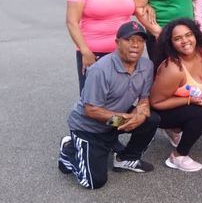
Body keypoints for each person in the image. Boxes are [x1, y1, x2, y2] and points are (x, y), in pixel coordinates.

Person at [57, 21, 159, 189]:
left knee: (152, 119)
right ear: (117, 43)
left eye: (140, 40)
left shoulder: (147, 66)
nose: (135, 45)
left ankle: (126, 159)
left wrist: (141, 114)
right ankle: (69, 151)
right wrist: (125, 118)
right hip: (89, 127)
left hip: (113, 121)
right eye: (129, 39)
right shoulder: (100, 70)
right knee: (93, 182)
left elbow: (144, 99)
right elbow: (91, 111)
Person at [149, 18, 202, 172]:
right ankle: (178, 155)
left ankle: (178, 129)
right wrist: (191, 100)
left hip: (192, 104)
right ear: (171, 43)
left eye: (188, 35)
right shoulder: (173, 68)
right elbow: (156, 103)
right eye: (177, 38)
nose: (185, 41)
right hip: (162, 112)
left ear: (196, 36)